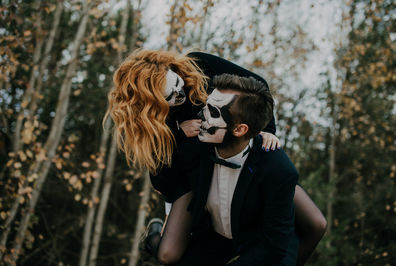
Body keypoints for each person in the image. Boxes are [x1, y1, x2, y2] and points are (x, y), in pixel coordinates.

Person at [105, 49, 326, 265]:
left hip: (238, 157)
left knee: (316, 223)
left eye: (176, 84)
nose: (179, 95)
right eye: (170, 97)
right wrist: (178, 134)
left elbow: (255, 86)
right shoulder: (154, 125)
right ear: (152, 105)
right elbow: (163, 181)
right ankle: (153, 238)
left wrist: (265, 129)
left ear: (172, 68)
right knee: (168, 254)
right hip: (194, 174)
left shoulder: (199, 65)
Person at [171, 74, 298, 265]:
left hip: (261, 248)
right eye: (206, 106)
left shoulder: (278, 170)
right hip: (213, 240)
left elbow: (273, 247)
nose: (200, 115)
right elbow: (162, 180)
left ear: (240, 130)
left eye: (213, 112)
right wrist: (177, 133)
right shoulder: (194, 147)